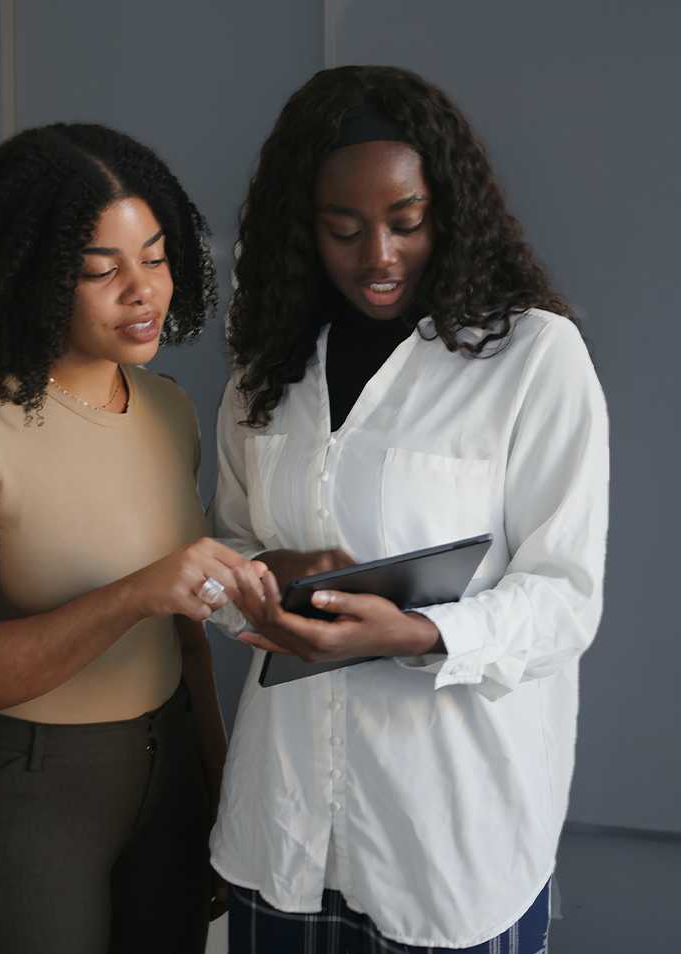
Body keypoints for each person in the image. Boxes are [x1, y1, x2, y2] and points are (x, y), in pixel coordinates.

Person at [208, 66, 610, 953]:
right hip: (286, 826)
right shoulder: (267, 366)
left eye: (406, 223)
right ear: (303, 228)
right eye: (344, 229)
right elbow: (228, 548)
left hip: (450, 839)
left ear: (449, 213)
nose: (379, 256)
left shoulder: (534, 358)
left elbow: (565, 594)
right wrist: (264, 579)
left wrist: (418, 636)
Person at [0, 123, 263, 954]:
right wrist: (132, 593)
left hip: (167, 779)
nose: (143, 290)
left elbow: (183, 624)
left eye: (156, 257)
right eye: (102, 270)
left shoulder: (168, 410)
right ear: (28, 277)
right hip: (15, 790)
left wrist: (217, 776)